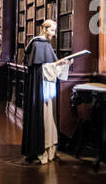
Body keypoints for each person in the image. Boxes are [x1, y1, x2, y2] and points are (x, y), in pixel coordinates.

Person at [21, 19, 70, 164]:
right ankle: (41, 149)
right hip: (42, 88)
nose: (54, 34)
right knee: (44, 116)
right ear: (44, 29)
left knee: (50, 116)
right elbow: (41, 69)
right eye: (52, 30)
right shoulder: (38, 44)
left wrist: (64, 63)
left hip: (47, 87)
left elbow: (49, 65)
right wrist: (59, 64)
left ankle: (49, 148)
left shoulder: (44, 45)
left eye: (54, 31)